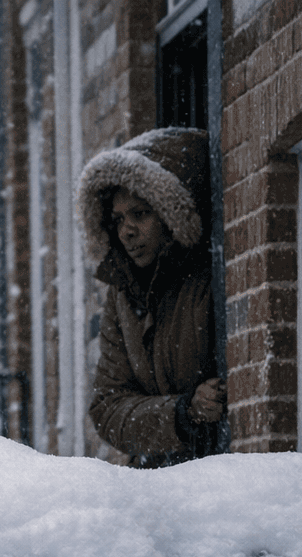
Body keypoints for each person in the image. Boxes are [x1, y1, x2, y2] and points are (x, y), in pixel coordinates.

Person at [78, 127, 225, 466]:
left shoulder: (210, 277)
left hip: (218, 477)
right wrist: (182, 412)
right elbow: (107, 408)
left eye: (140, 214)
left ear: (171, 213)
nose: (127, 230)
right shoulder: (123, 292)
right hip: (155, 483)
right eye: (118, 220)